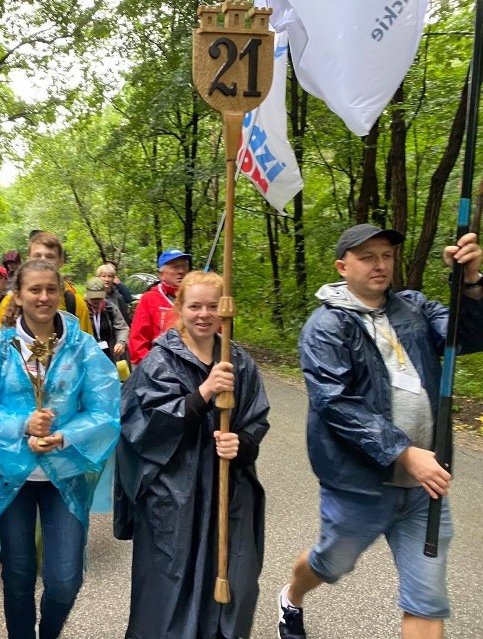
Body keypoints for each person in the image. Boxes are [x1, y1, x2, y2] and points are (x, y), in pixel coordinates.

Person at [278, 225, 483, 639]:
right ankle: (291, 596)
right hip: (360, 483)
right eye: (368, 256)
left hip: (426, 488)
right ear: (342, 266)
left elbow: (469, 336)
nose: (380, 264)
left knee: (426, 599)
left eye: (386, 255)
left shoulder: (415, 307)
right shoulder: (326, 326)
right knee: (330, 563)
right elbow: (334, 401)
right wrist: (405, 453)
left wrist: (472, 284)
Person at [0, 259, 121, 639]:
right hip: (11, 476)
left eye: (51, 289)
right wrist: (22, 425)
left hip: (64, 474)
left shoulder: (81, 347)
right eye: (34, 289)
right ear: (17, 296)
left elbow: (105, 410)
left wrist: (64, 435)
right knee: (17, 574)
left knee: (65, 578)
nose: (44, 297)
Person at [114, 270, 270, 639]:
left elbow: (256, 419)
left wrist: (242, 444)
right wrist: (201, 394)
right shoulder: (159, 362)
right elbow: (141, 429)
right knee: (172, 592)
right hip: (174, 497)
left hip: (228, 493)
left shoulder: (239, 363)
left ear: (225, 312)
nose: (204, 314)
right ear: (180, 308)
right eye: (195, 306)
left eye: (213, 307)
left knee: (236, 583)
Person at [0, 232, 93, 334]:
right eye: (37, 256)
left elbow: (86, 346)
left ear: (61, 262)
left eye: (50, 257)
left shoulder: (75, 304)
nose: (43, 261)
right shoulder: (10, 301)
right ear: (28, 260)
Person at [127, 248, 190, 364]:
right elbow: (137, 343)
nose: (181, 271)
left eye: (184, 266)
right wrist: (156, 369)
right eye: (175, 267)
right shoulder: (149, 299)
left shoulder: (196, 298)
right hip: (160, 369)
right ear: (162, 274)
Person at [84, 276, 129, 363]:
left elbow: (122, 327)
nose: (96, 300)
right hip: (88, 357)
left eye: (99, 297)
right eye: (93, 298)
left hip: (109, 355)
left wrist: (121, 342)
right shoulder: (81, 310)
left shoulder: (110, 308)